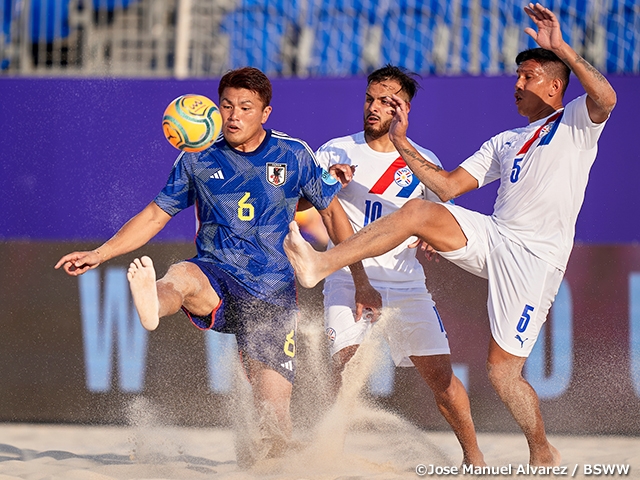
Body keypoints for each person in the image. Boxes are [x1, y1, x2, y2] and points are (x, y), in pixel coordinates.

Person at [283, 3, 616, 467]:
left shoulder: (577, 120)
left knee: (502, 375)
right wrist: (401, 143)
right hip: (496, 236)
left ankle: (541, 450)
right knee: (421, 209)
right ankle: (323, 264)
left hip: (535, 258)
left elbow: (607, 97)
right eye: (516, 76)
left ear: (556, 86)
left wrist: (561, 48)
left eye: (528, 76)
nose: (517, 85)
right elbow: (446, 187)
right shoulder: (505, 141)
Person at [55, 66, 380, 465]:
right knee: (182, 276)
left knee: (275, 413)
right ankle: (153, 304)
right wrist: (100, 253)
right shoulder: (197, 156)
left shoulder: (293, 154)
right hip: (217, 271)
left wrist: (360, 280)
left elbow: (332, 215)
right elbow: (156, 216)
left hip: (272, 291)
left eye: (245, 107)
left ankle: (275, 465)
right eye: (226, 105)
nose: (233, 115)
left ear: (265, 113)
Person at [312, 64, 484, 466]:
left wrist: (432, 238)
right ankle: (326, 459)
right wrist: (327, 185)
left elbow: (443, 216)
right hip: (346, 278)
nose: (374, 108)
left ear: (404, 110)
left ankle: (475, 459)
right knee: (344, 370)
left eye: (386, 102)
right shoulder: (336, 150)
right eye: (370, 99)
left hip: (405, 283)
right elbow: (304, 208)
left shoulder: (423, 160)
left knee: (440, 379)